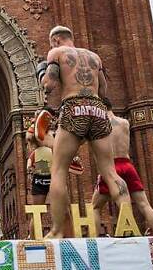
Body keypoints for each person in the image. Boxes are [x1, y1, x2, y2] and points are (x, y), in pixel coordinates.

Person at [39, 25, 131, 238]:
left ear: (55, 40)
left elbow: (49, 85)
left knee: (58, 171)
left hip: (74, 106)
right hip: (98, 109)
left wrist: (43, 72)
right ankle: (128, 226)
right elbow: (104, 91)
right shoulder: (95, 57)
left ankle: (58, 230)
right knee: (110, 171)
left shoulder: (57, 53)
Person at [91, 97, 153, 236]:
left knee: (95, 207)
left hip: (111, 167)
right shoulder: (125, 123)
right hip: (127, 165)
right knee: (144, 204)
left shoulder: (98, 125)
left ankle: (96, 238)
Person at [25, 106, 74, 238]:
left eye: (51, 119)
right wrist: (36, 121)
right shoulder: (35, 134)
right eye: (47, 118)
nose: (50, 121)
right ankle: (33, 240)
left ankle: (71, 240)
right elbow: (29, 138)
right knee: (37, 212)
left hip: (55, 177)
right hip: (40, 179)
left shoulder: (55, 135)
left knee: (66, 211)